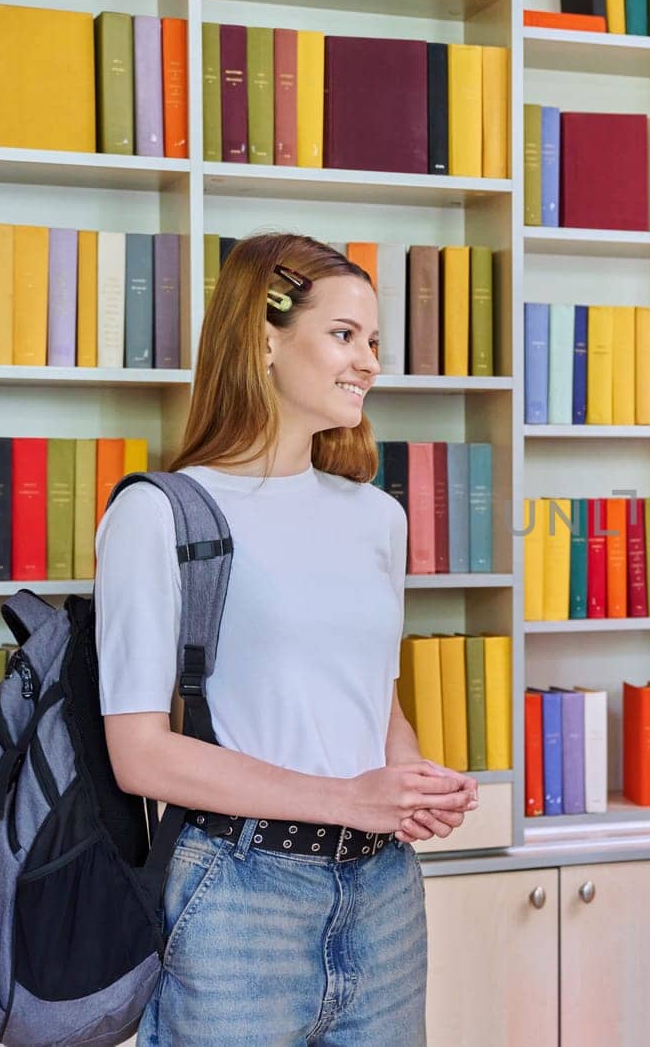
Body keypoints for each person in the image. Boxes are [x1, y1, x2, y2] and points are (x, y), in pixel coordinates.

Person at [94, 233, 478, 1045]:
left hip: (383, 896)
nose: (369, 361)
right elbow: (140, 753)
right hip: (235, 900)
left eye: (373, 341)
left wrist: (410, 780)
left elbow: (377, 702)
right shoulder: (159, 514)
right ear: (264, 339)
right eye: (344, 335)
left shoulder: (378, 516)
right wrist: (346, 798)